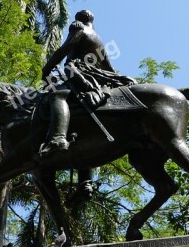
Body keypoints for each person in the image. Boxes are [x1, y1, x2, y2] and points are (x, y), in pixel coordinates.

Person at [37, 10, 135, 160]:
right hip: (98, 78)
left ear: (79, 19)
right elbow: (109, 67)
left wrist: (46, 69)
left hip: (80, 73)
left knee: (57, 95)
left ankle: (58, 138)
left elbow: (64, 49)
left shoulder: (79, 29)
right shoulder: (99, 39)